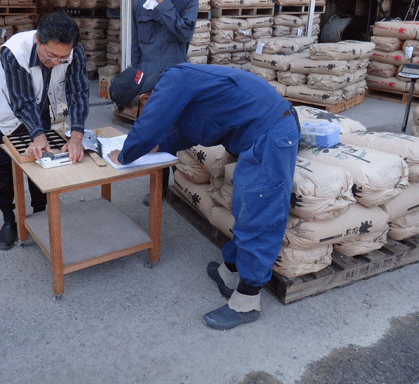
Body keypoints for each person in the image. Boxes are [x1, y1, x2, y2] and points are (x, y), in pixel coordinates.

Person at [108, 64, 300, 330]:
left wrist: (126, 153)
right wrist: (160, 146)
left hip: (271, 131)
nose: (136, 116)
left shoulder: (172, 82)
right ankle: (230, 272)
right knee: (244, 206)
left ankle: (247, 301)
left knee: (259, 215)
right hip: (255, 134)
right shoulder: (180, 85)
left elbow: (149, 124)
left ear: (144, 98)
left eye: (133, 112)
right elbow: (190, 131)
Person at [0, 11, 89, 251]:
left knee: (42, 163)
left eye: (62, 58)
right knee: (3, 168)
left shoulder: (73, 52)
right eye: (51, 55)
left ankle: (41, 213)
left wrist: (76, 136)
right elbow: (22, 100)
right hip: (4, 111)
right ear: (37, 41)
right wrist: (38, 134)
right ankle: (8, 219)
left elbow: (79, 92)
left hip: (40, 105)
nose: (56, 62)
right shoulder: (15, 51)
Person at [132, 0, 199, 205]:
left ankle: (174, 185)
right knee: (151, 132)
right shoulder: (140, 3)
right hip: (148, 76)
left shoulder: (187, 1)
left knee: (173, 133)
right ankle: (157, 186)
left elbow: (184, 35)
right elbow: (136, 46)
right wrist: (136, 80)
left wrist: (164, 4)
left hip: (175, 77)